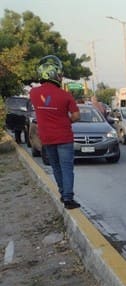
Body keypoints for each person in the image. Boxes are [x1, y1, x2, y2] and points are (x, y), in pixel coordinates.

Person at [29, 55, 81, 209]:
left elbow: (40, 110)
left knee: (56, 167)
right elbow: (76, 116)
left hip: (47, 138)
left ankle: (63, 192)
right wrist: (66, 121)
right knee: (66, 168)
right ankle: (68, 198)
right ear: (54, 74)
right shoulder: (66, 95)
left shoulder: (33, 93)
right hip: (64, 137)